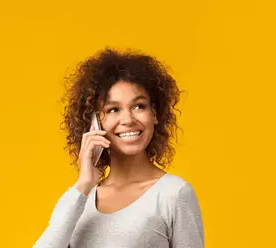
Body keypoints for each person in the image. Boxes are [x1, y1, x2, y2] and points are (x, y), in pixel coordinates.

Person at [34, 48, 204, 248]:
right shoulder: (81, 200)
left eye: (139, 106)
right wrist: (84, 183)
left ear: (154, 114)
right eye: (113, 109)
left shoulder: (174, 194)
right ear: (94, 123)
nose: (128, 120)